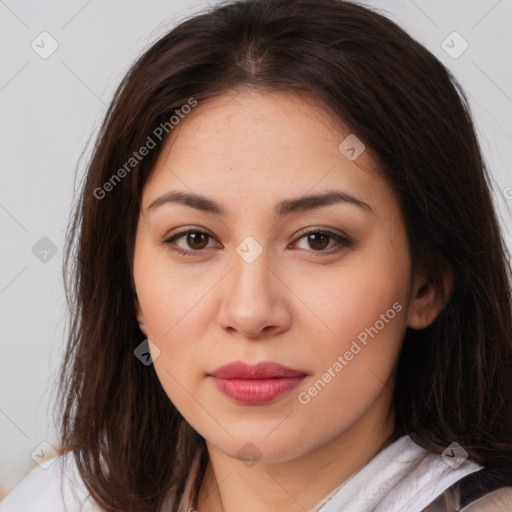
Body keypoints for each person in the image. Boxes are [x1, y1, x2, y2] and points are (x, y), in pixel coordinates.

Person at [2, 0, 512, 511]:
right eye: (194, 239)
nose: (249, 312)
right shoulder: (57, 498)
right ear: (129, 281)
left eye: (318, 239)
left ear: (427, 282)